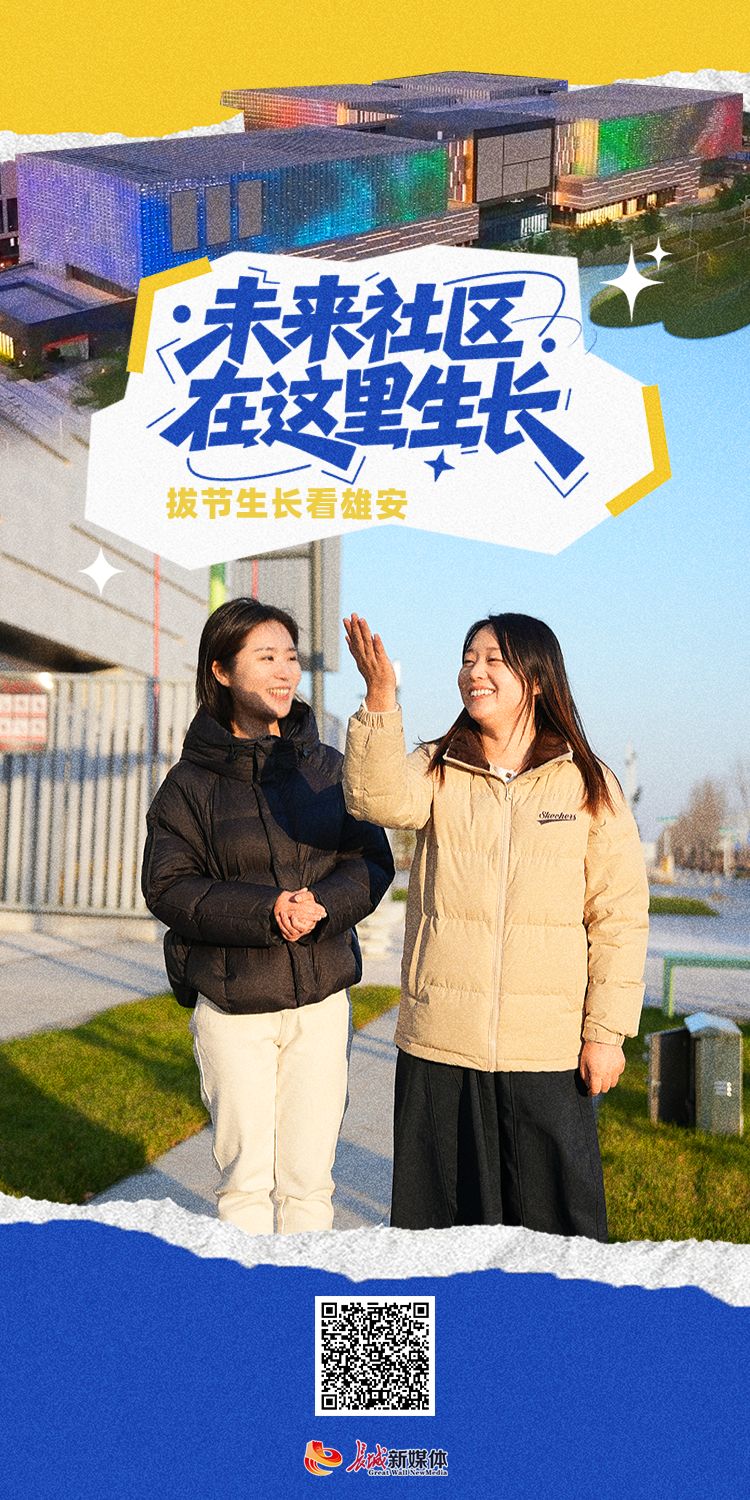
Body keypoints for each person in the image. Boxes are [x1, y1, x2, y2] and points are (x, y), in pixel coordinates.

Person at [342, 611, 649, 1239]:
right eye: (467, 660)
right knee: (434, 1234)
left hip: (547, 1051)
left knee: (557, 1235)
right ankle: (418, 1313)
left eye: (492, 660)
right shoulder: (437, 765)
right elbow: (373, 799)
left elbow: (619, 917)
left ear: (535, 677)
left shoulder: (588, 782)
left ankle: (548, 1312)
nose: (473, 673)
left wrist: (606, 1033)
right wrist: (379, 699)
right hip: (440, 1041)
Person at [141, 599, 394, 1235]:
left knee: (309, 1186)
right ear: (222, 671)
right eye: (265, 657)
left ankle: (319, 1305)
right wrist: (266, 910)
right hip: (233, 1004)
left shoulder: (328, 768)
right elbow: (168, 886)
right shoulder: (188, 785)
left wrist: (323, 904)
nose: (284, 672)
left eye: (290, 657)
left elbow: (370, 859)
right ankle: (248, 1302)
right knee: (246, 1186)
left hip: (321, 999)